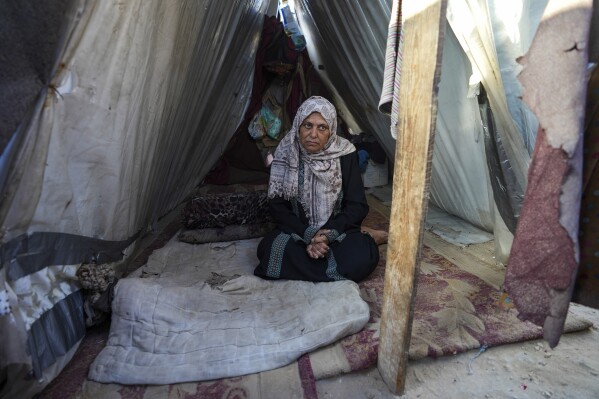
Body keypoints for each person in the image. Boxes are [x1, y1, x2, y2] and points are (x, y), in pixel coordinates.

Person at [254, 96, 385, 283]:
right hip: (298, 232)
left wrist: (327, 236)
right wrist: (309, 234)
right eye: (308, 125)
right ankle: (325, 266)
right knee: (268, 250)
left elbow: (357, 205)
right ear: (298, 126)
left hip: (337, 232)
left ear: (331, 130)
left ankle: (308, 264)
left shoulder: (345, 152)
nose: (313, 134)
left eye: (322, 127)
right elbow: (278, 206)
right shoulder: (286, 151)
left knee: (363, 255)